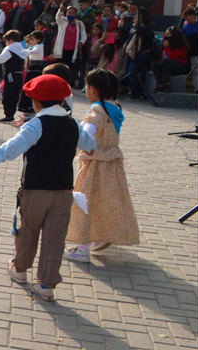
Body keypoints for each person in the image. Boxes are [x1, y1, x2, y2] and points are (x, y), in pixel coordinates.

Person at [0, 75, 97, 302]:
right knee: (55, 238)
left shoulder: (36, 124)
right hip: (64, 191)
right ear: (62, 101)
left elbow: (13, 147)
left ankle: (20, 268)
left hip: (35, 190)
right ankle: (46, 284)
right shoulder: (72, 124)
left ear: (36, 102)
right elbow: (90, 145)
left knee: (28, 231)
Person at [64, 69, 139, 262]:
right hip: (112, 165)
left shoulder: (97, 109)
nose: (85, 90)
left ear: (94, 89)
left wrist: (73, 143)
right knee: (107, 202)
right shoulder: (115, 107)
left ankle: (81, 248)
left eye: (87, 86)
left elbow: (86, 132)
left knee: (84, 202)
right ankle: (103, 235)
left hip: (94, 165)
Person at [0, 30, 27, 122]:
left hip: (11, 74)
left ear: (11, 40)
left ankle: (9, 115)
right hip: (19, 74)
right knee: (15, 95)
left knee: (7, 94)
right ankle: (11, 113)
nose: (6, 44)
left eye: (6, 41)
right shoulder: (21, 48)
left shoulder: (10, 49)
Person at [152, 27, 189, 92]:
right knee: (154, 64)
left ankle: (167, 83)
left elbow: (172, 57)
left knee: (165, 61)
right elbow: (162, 57)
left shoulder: (180, 46)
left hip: (179, 66)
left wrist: (167, 47)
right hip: (167, 66)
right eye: (166, 34)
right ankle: (160, 84)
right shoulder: (164, 45)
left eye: (168, 34)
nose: (166, 37)